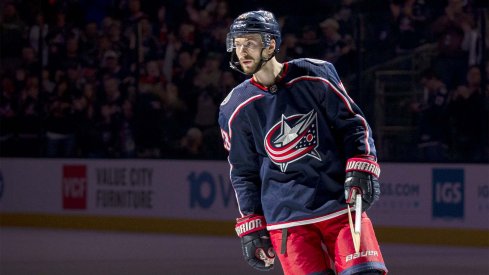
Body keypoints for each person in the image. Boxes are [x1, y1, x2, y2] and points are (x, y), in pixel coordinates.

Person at [218, 10, 387, 275]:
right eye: (238, 44)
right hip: (286, 221)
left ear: (271, 44)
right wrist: (252, 222)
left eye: (249, 42)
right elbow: (243, 171)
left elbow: (353, 123)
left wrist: (362, 164)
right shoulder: (234, 107)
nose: (242, 51)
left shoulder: (315, 74)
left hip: (339, 206)